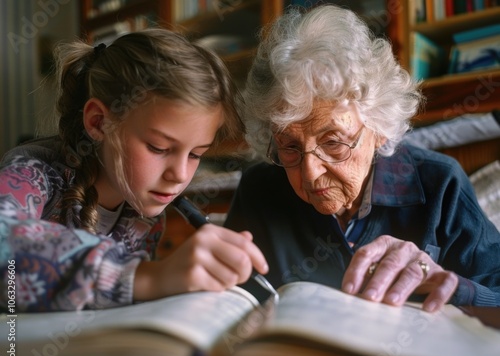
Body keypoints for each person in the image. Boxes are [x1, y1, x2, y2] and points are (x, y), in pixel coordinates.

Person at [224, 4, 500, 312]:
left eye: (334, 143)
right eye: (289, 147)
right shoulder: (258, 188)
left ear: (380, 128)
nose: (310, 173)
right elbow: (231, 298)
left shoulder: (440, 184)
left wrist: (455, 286)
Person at [0, 28, 268, 312]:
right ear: (99, 122)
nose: (179, 175)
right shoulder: (32, 173)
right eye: (158, 148)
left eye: (195, 154)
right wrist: (148, 277)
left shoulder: (146, 216)